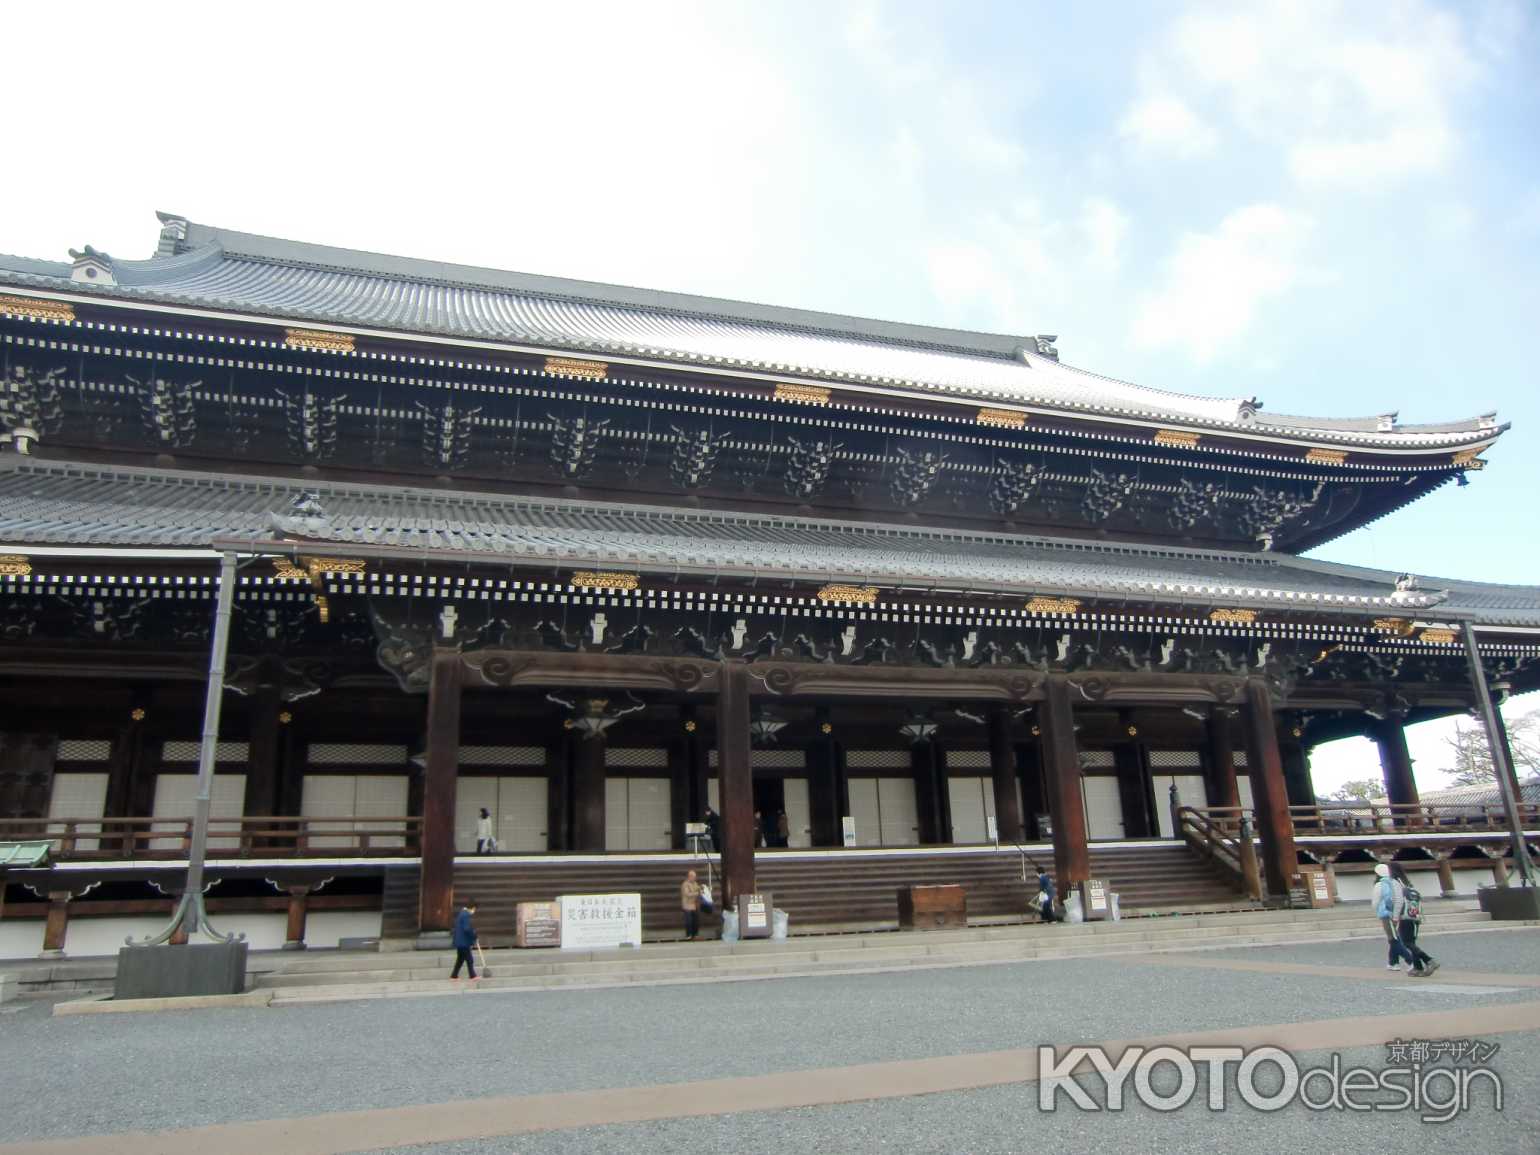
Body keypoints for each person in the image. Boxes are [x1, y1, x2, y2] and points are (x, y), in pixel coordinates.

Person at [1389, 863, 1439, 977]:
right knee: (1411, 943)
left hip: (1404, 916)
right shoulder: (1407, 883)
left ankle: (1429, 960)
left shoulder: (1395, 883)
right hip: (1414, 916)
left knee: (1407, 943)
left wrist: (1395, 917)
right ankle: (1418, 967)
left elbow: (1398, 900)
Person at [1372, 863, 1415, 971]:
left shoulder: (1379, 885)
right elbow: (1399, 899)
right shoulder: (1396, 882)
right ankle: (1393, 962)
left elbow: (1375, 902)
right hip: (1398, 913)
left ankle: (1410, 960)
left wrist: (1377, 911)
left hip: (1386, 914)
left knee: (1393, 939)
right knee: (1394, 937)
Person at [450, 897, 479, 983]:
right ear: (473, 908)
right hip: (463, 942)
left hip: (459, 941)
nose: (474, 911)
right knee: (469, 959)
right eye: (474, 909)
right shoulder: (466, 915)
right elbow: (466, 929)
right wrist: (474, 935)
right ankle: (472, 975)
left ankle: (454, 975)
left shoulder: (461, 914)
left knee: (460, 959)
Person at [681, 869, 702, 941]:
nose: (695, 878)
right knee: (689, 921)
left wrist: (702, 888)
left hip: (693, 905)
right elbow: (687, 894)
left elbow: (698, 888)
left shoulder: (695, 883)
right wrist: (697, 893)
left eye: (695, 877)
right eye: (693, 876)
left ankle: (695, 935)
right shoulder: (685, 884)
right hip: (687, 906)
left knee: (696, 920)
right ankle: (688, 935)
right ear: (689, 876)